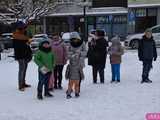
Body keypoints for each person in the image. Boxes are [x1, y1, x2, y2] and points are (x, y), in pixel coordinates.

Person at [65, 32, 86, 99]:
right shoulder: (70, 43)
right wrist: (72, 54)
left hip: (80, 62)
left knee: (78, 75)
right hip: (72, 62)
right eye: (73, 39)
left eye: (75, 39)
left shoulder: (82, 43)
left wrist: (80, 54)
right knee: (71, 76)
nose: (74, 40)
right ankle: (70, 88)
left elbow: (85, 52)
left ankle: (77, 89)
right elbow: (67, 52)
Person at [12, 21, 32, 91]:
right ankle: (20, 85)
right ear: (21, 28)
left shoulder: (24, 35)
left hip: (25, 55)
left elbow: (27, 44)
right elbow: (18, 46)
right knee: (21, 70)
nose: (25, 29)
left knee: (24, 70)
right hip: (20, 55)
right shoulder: (16, 35)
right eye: (24, 28)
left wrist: (27, 42)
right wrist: (26, 42)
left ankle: (23, 83)